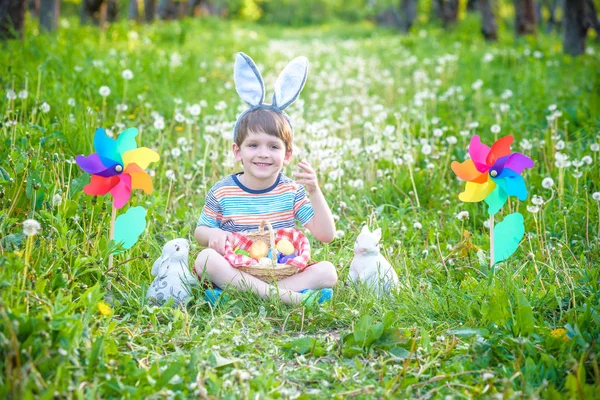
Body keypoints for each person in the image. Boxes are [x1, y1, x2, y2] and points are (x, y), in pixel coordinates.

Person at [193, 53, 337, 306]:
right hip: (235, 269)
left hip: (282, 270)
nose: (263, 154)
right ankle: (286, 298)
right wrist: (213, 233)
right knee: (204, 259)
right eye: (253, 145)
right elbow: (200, 231)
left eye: (273, 147)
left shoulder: (292, 191)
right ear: (237, 151)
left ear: (287, 154)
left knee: (328, 272)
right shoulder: (223, 191)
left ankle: (241, 297)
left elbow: (326, 235)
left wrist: (314, 191)